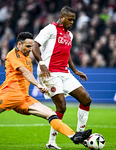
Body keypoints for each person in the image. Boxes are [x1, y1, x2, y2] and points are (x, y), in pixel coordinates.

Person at [0, 32, 92, 148]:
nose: (30, 49)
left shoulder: (27, 55)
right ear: (19, 44)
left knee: (51, 114)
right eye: (27, 46)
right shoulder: (12, 55)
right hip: (8, 95)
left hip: (24, 98)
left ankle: (73, 136)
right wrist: (38, 86)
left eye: (32, 46)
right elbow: (25, 73)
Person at [32, 6, 92, 149]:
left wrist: (75, 70)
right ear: (63, 17)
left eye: (73, 20)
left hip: (65, 72)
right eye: (70, 19)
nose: (72, 22)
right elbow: (35, 45)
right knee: (61, 106)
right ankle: (51, 142)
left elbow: (67, 54)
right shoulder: (50, 29)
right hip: (49, 72)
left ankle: (80, 134)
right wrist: (41, 63)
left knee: (86, 99)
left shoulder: (69, 35)